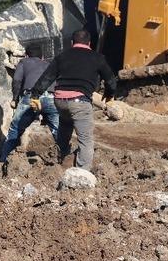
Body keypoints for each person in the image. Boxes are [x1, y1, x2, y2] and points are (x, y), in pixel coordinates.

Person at [30, 29, 117, 170]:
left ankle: (62, 161)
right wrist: (109, 94)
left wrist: (35, 95)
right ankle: (82, 172)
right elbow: (111, 80)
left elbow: (46, 78)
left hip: (60, 102)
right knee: (85, 140)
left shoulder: (61, 57)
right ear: (89, 43)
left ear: (72, 43)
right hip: (80, 102)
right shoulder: (98, 58)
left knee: (64, 129)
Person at [0, 45, 59, 163]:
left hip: (31, 97)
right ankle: (66, 160)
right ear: (42, 57)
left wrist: (15, 99)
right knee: (58, 131)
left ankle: (3, 160)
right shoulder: (48, 64)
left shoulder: (24, 62)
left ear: (26, 55)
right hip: (51, 97)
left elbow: (17, 81)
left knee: (15, 129)